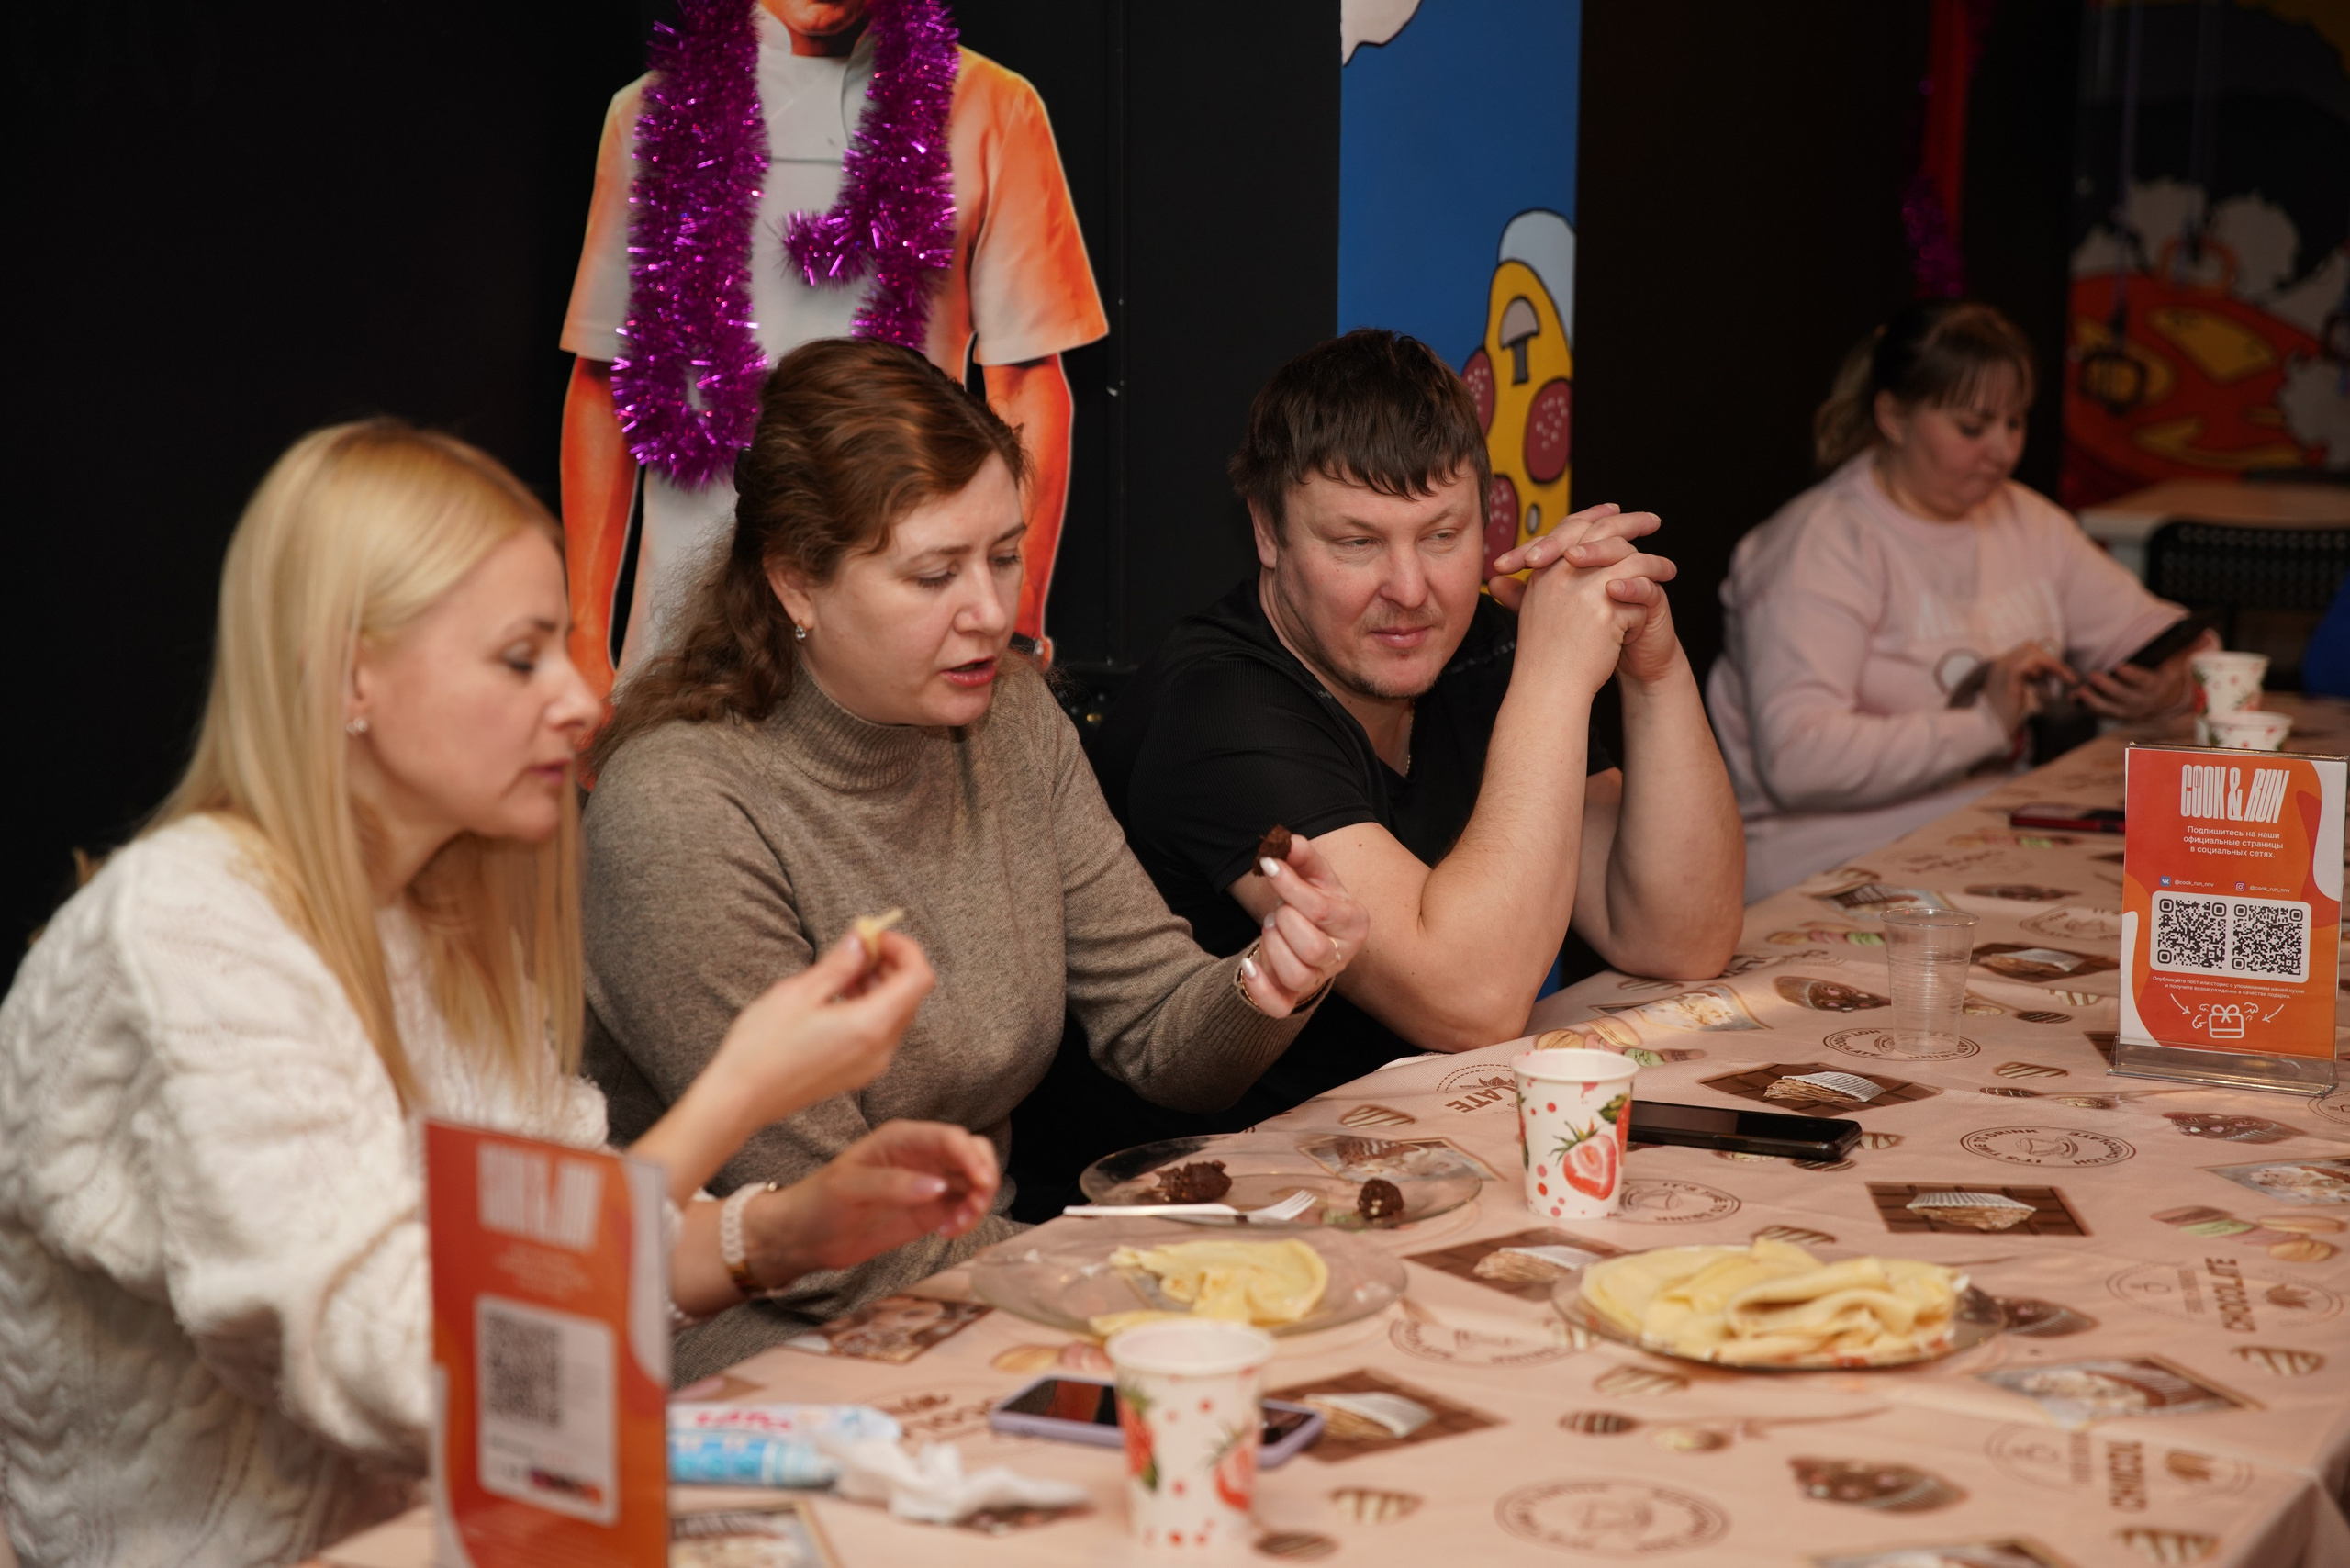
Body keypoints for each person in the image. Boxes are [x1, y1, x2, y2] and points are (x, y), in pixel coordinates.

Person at [0, 421, 998, 1568]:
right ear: (351, 676)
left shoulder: (438, 915)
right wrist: (735, 1096)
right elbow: (412, 1361)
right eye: (521, 660)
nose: (583, 701)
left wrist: (780, 1231)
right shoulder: (190, 926)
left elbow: (541, 1259)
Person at [580, 338, 1368, 1377]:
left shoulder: (1011, 719)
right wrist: (1138, 1272)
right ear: (796, 583)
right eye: (933, 573)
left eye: (1003, 556)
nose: (992, 614)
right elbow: (827, 1235)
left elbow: (1158, 1031)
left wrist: (1270, 979)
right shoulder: (683, 809)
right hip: (756, 1335)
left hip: (976, 1278)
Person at [1085, 329, 1744, 1130]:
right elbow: (1471, 1003)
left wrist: (1654, 669)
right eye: (1357, 543)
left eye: (1441, 536)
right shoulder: (1218, 710)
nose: (1410, 590)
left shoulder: (1480, 647)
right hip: (1219, 1180)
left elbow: (1681, 936)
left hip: (1419, 1145)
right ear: (1266, 531)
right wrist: (1553, 679)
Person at [561, 0, 1106, 689]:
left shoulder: (994, 105)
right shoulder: (650, 112)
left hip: (909, 612)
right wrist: (586, 640)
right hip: (687, 620)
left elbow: (1025, 382)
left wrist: (1014, 624)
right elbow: (603, 380)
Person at [1708, 300, 2198, 901]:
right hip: (1833, 864)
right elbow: (1799, 759)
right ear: (1893, 416)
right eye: (1973, 427)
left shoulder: (2027, 521)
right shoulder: (1819, 545)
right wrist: (1984, 724)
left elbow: (2167, 636)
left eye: (2014, 423)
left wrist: (2167, 685)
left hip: (1987, 837)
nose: (2003, 450)